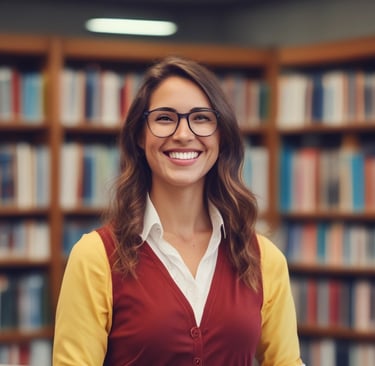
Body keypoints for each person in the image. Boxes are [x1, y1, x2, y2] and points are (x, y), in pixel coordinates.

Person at [53, 56, 304, 366]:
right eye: (164, 118)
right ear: (139, 137)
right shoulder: (96, 257)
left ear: (221, 135)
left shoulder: (263, 258)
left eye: (200, 118)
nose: (183, 134)